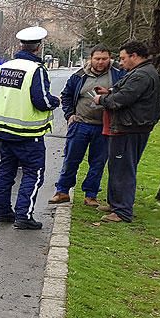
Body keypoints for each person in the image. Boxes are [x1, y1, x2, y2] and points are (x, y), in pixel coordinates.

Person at [0, 26, 60, 229]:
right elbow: (42, 101)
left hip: (4, 130)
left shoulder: (4, 67)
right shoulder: (36, 70)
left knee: (5, 172)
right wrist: (55, 101)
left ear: (20, 45)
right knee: (33, 173)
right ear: (39, 48)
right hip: (29, 134)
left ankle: (2, 212)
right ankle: (24, 215)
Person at [92, 40, 160, 222]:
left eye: (123, 59)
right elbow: (122, 92)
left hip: (129, 128)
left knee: (123, 169)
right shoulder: (140, 72)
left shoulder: (142, 75)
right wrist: (109, 92)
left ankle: (122, 211)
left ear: (134, 56)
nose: (121, 63)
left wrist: (102, 99)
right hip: (130, 125)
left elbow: (122, 99)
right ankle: (114, 204)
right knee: (117, 167)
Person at [48, 45, 123, 207]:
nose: (101, 62)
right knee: (71, 160)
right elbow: (66, 95)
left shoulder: (117, 74)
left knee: (98, 162)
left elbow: (124, 94)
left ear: (110, 58)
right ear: (91, 59)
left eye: (104, 59)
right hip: (80, 125)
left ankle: (91, 195)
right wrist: (70, 115)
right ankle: (62, 191)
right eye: (97, 59)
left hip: (104, 126)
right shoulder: (79, 76)